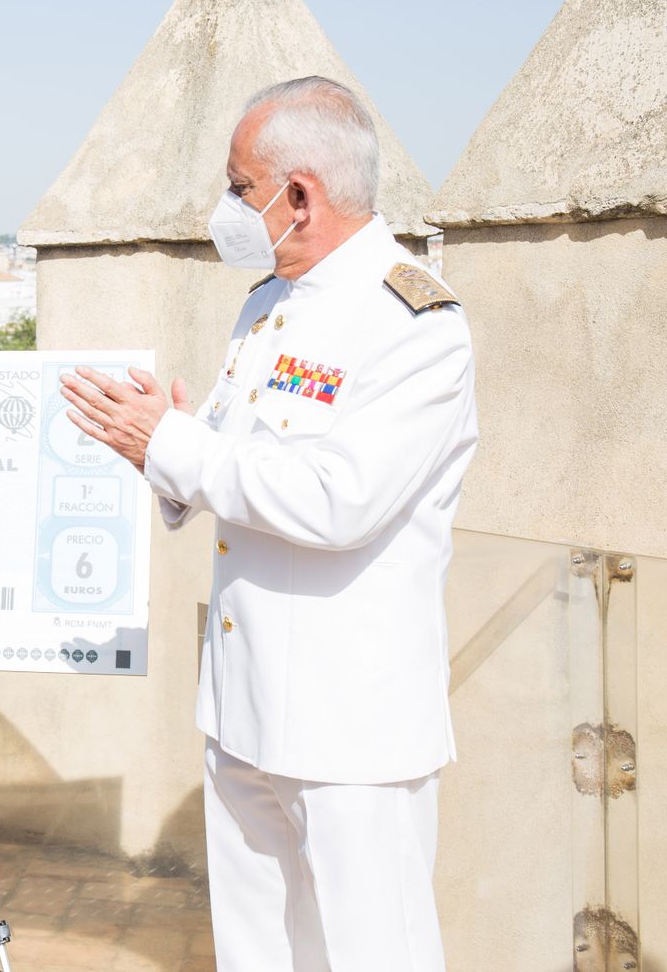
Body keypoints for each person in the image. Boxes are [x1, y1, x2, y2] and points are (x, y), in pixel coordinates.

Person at [61, 76, 477, 972]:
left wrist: (180, 448)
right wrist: (162, 450)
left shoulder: (414, 322)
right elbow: (227, 461)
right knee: (259, 952)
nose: (227, 210)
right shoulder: (266, 306)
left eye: (239, 188)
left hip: (350, 727)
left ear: (300, 195)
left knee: (374, 953)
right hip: (243, 707)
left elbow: (339, 499)